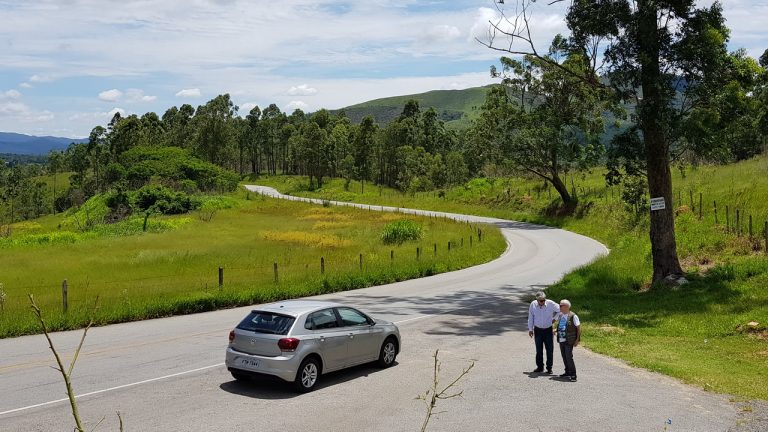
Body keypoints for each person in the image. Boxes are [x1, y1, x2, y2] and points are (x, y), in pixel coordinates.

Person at [527, 291, 559, 374]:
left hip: (548, 329)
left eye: (544, 300)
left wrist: (555, 318)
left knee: (549, 349)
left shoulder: (551, 303)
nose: (543, 302)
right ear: (537, 300)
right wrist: (530, 329)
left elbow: (560, 310)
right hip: (537, 330)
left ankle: (549, 368)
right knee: (539, 350)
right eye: (541, 300)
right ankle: (540, 367)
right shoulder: (533, 304)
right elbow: (531, 317)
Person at [554, 299, 581, 382]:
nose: (559, 307)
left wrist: (577, 340)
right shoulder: (561, 315)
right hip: (561, 339)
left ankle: (573, 374)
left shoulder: (573, 316)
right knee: (564, 356)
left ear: (566, 306)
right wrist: (556, 330)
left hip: (569, 340)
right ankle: (567, 371)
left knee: (569, 357)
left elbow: (578, 328)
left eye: (561, 305)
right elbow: (562, 326)